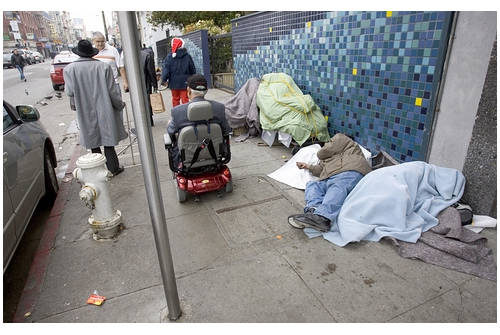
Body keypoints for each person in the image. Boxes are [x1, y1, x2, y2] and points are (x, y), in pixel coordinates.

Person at [63, 40, 127, 177]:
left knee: (93, 140)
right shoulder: (103, 67)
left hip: (84, 108)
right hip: (104, 107)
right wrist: (119, 104)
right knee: (108, 139)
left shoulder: (69, 69)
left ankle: (99, 170)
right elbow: (112, 91)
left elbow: (69, 92)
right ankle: (113, 168)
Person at [288, 133, 372, 232]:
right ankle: (313, 211)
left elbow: (322, 153)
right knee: (313, 185)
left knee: (338, 187)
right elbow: (320, 170)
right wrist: (308, 166)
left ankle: (323, 217)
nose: (327, 143)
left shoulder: (341, 138)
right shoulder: (330, 158)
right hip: (332, 175)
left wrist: (321, 151)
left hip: (350, 170)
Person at [167, 74, 231, 167]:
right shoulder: (219, 108)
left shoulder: (177, 111)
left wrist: (170, 124)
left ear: (188, 90)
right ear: (206, 91)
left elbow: (170, 132)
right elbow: (226, 131)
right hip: (215, 155)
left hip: (186, 159)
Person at [161, 37, 196, 107]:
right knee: (185, 99)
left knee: (175, 99)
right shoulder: (187, 56)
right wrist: (193, 78)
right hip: (185, 82)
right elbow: (192, 69)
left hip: (173, 83)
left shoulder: (169, 57)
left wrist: (163, 80)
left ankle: (176, 115)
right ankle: (186, 115)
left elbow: (166, 69)